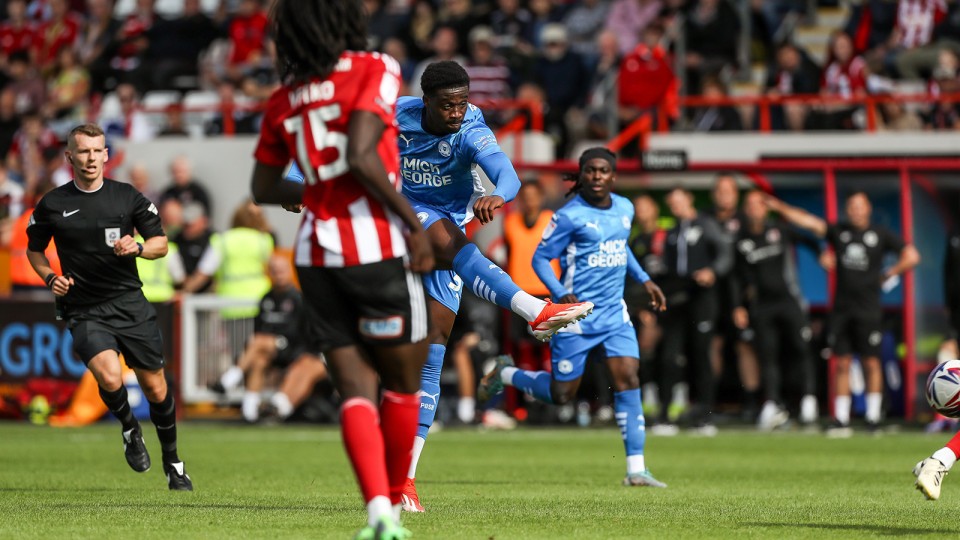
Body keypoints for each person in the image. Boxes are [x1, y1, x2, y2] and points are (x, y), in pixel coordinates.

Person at [249, 0, 433, 536]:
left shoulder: (283, 99)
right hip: (375, 247)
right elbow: (361, 153)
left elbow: (262, 187)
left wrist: (314, 192)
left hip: (314, 256)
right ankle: (394, 501)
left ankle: (378, 513)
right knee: (403, 383)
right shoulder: (375, 67)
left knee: (355, 388)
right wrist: (413, 225)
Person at [395, 60, 594, 513]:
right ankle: (534, 310)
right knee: (447, 239)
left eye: (463, 102)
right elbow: (340, 131)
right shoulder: (397, 113)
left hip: (449, 228)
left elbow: (508, 174)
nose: (457, 112)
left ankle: (405, 478)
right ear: (425, 101)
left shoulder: (471, 128)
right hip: (403, 213)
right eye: (447, 105)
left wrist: (498, 195)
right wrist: (295, 177)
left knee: (434, 351)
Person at [477, 147, 668, 487]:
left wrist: (645, 279)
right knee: (562, 393)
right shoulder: (568, 216)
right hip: (575, 316)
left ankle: (636, 469)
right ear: (581, 176)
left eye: (603, 170)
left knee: (628, 377)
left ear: (613, 176)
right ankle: (505, 373)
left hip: (614, 313)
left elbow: (620, 246)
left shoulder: (625, 208)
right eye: (591, 170)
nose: (597, 176)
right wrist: (558, 291)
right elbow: (540, 258)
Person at [25, 123, 192, 490]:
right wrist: (50, 278)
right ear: (69, 156)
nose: (90, 158)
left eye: (96, 151)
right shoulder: (53, 203)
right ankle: (130, 429)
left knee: (156, 389)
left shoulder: (127, 196)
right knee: (110, 376)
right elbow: (34, 250)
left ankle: (173, 462)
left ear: (105, 155)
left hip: (129, 304)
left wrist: (139, 247)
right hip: (84, 308)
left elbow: (161, 243)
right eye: (83, 151)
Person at [767, 192, 920, 436]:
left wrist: (890, 273)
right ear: (846, 210)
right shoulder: (839, 232)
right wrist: (780, 207)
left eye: (860, 206)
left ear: (868, 209)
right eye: (852, 206)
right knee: (842, 363)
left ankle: (873, 417)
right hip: (841, 309)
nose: (856, 211)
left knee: (871, 362)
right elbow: (809, 222)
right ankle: (841, 419)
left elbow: (912, 256)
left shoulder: (880, 235)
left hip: (869, 309)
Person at [733, 191, 819, 430]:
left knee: (801, 349)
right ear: (745, 210)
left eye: (759, 204)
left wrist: (822, 255)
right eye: (750, 205)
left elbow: (811, 239)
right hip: (762, 306)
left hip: (789, 300)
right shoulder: (740, 240)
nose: (754, 209)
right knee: (767, 355)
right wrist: (738, 305)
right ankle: (771, 403)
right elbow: (737, 278)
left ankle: (808, 400)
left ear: (766, 208)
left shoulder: (779, 230)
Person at [659, 185, 733, 435]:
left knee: (701, 355)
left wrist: (713, 271)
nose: (675, 206)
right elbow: (667, 267)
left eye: (678, 201)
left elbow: (725, 254)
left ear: (689, 199)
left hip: (702, 297)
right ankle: (665, 415)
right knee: (670, 357)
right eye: (671, 203)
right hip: (677, 298)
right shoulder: (672, 231)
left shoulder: (706, 225)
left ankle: (704, 416)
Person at [209, 254, 316, 422]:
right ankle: (249, 413)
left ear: (289, 272)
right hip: (270, 349)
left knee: (258, 341)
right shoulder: (266, 298)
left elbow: (301, 333)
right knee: (258, 360)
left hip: (293, 349)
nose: (278, 275)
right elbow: (258, 327)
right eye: (274, 271)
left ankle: (229, 380)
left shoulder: (298, 298)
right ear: (269, 273)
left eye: (282, 270)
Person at [707, 173, 761, 421]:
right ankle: (711, 402)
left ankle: (751, 403)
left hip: (742, 295)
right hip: (711, 295)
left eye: (729, 191)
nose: (724, 195)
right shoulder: (705, 219)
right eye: (720, 191)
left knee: (745, 346)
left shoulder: (746, 220)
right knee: (712, 346)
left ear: (736, 195)